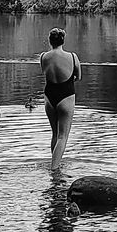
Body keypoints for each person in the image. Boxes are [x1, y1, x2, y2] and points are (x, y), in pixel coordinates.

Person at [40, 27, 81, 170]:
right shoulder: (72, 57)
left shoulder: (43, 56)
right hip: (66, 95)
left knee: (55, 134)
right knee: (62, 136)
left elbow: (45, 72)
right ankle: (54, 169)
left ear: (50, 41)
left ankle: (55, 165)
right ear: (63, 41)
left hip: (49, 96)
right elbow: (78, 76)